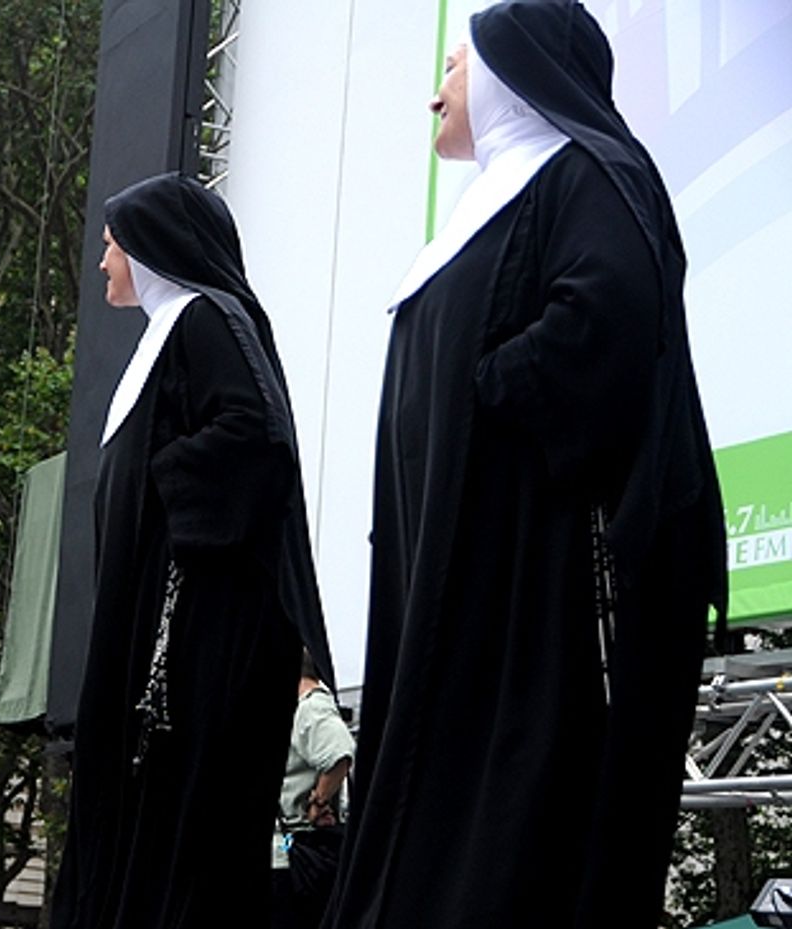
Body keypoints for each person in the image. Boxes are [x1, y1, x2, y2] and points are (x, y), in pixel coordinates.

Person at [327, 3, 726, 928]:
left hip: (525, 580)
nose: (438, 88)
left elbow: (610, 320)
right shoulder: (490, 205)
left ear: (515, 72)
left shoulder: (584, 174)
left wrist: (489, 388)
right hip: (445, 588)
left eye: (459, 64)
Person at [50, 173, 335, 929]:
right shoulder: (174, 331)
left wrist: (159, 482)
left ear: (153, 246)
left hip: (194, 638)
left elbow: (254, 437)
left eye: (113, 240)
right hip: (149, 630)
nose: (104, 255)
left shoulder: (208, 318)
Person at [270, 652, 353, 929]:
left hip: (304, 849)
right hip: (295, 850)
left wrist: (318, 801)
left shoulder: (310, 707)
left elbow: (339, 753)